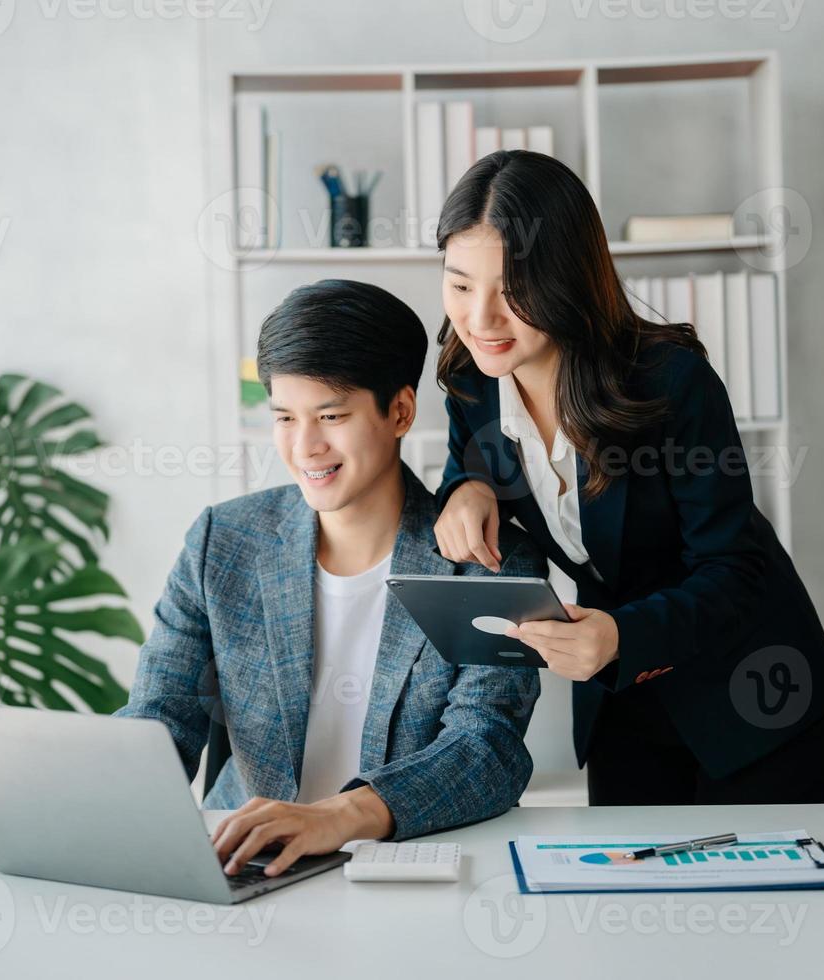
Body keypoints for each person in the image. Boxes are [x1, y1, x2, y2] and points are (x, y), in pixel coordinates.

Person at [431, 150, 824, 806]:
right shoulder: (470, 379)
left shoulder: (673, 384)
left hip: (751, 691)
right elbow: (471, 458)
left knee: (758, 904)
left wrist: (622, 635)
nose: (480, 318)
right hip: (624, 701)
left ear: (566, 279)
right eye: (459, 285)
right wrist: (464, 488)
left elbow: (733, 567)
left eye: (512, 290)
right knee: (633, 899)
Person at [118, 278, 543, 877]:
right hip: (242, 863)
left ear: (399, 411)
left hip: (405, 870)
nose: (305, 446)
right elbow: (161, 714)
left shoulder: (488, 560)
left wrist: (342, 814)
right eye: (285, 417)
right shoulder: (224, 541)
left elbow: (485, 749)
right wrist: (90, 791)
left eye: (331, 415)